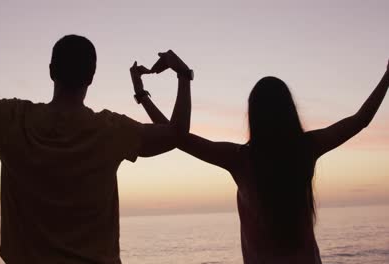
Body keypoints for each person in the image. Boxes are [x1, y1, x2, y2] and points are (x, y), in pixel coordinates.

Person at [0, 35, 193, 264]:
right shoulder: (111, 131)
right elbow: (177, 134)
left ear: (51, 70)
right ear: (91, 77)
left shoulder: (12, 119)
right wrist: (182, 75)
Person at [131, 59, 389, 263]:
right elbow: (361, 119)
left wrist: (145, 93)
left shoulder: (240, 159)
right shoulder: (306, 148)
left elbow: (176, 137)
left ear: (253, 114)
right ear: (289, 110)